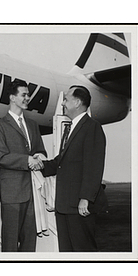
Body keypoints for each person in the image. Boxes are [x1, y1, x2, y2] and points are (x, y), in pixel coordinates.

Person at [40, 85, 107, 252]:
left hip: (79, 205)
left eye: (66, 99)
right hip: (65, 205)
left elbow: (94, 165)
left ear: (77, 102)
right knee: (67, 252)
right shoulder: (70, 128)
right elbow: (61, 162)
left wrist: (86, 198)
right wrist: (38, 164)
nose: (63, 103)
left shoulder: (92, 127)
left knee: (83, 251)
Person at [0, 80, 47, 252]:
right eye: (24, 95)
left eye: (28, 95)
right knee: (10, 240)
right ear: (12, 98)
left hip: (32, 192)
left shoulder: (32, 125)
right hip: (12, 192)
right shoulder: (0, 125)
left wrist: (39, 156)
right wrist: (26, 160)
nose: (28, 98)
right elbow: (0, 157)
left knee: (30, 240)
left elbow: (39, 149)